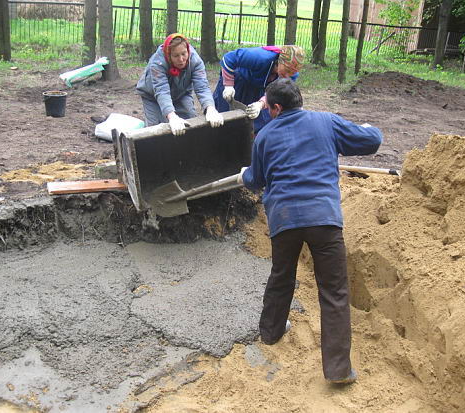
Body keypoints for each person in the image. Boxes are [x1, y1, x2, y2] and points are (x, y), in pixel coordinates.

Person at [238, 78, 383, 384]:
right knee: (334, 291)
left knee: (281, 277)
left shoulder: (264, 135)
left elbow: (256, 180)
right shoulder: (326, 122)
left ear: (276, 107)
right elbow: (371, 142)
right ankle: (339, 369)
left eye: (268, 106)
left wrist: (244, 175)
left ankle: (271, 334)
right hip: (324, 219)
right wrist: (372, 128)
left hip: (284, 219)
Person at [136, 33, 224, 136]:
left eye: (184, 54)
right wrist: (172, 117)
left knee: (191, 121)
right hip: (152, 97)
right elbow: (162, 91)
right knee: (155, 130)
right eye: (176, 56)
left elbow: (202, 87)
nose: (181, 59)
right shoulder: (157, 63)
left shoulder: (195, 61)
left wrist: (210, 109)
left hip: (181, 94)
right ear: (169, 55)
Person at [213, 45, 305, 133]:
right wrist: (228, 85)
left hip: (259, 88)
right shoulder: (261, 57)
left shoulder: (292, 75)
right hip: (239, 82)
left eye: (293, 73)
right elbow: (228, 59)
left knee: (258, 122)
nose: (288, 75)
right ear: (280, 61)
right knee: (225, 117)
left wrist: (261, 104)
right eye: (287, 70)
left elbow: (277, 90)